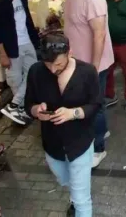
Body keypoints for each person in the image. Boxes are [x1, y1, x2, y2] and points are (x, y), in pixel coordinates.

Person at [26, 33, 103, 217]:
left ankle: (78, 199)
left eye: (58, 64)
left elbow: (95, 105)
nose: (53, 69)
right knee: (66, 180)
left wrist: (73, 113)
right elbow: (28, 104)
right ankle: (75, 194)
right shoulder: (36, 71)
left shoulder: (87, 72)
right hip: (52, 145)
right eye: (48, 64)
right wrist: (37, 111)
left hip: (80, 143)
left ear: (70, 53)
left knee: (82, 199)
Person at [58, 0, 114, 167]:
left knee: (94, 106)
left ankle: (98, 148)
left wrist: (94, 67)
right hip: (79, 62)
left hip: (92, 65)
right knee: (95, 103)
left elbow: (98, 35)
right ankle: (103, 131)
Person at [0, 0, 40, 125]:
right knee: (16, 80)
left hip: (28, 42)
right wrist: (2, 54)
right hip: (12, 46)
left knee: (32, 73)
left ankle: (14, 104)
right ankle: (21, 111)